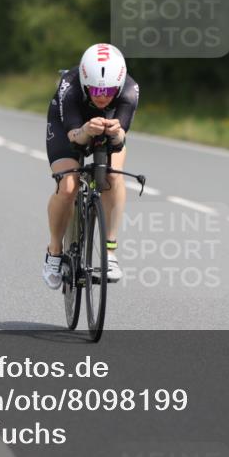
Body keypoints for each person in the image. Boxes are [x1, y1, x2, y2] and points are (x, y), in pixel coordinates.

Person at [42, 43, 139, 289]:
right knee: (68, 185)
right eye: (95, 89)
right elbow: (73, 136)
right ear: (85, 82)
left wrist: (116, 134)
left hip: (108, 123)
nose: (101, 95)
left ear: (119, 85)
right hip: (70, 126)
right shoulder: (69, 87)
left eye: (108, 91)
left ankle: (110, 252)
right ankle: (54, 251)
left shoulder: (129, 90)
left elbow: (121, 138)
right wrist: (85, 130)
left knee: (114, 176)